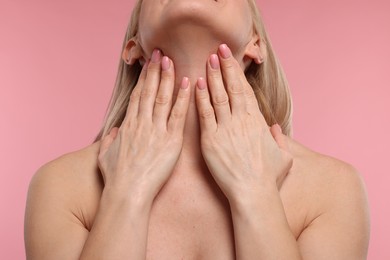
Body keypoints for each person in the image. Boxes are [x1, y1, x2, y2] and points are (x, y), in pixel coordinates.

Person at [24, 0, 370, 259]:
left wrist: (255, 193)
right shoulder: (59, 186)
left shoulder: (334, 188)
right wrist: (128, 191)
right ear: (133, 48)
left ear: (256, 44)